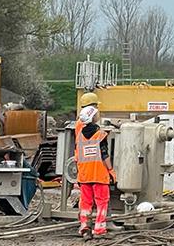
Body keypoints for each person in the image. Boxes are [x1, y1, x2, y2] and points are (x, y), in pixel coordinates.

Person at [75, 93, 115, 239]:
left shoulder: (79, 135)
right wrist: (111, 170)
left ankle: (84, 228)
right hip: (99, 174)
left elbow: (79, 154)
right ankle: (99, 229)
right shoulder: (100, 134)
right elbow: (104, 155)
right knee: (102, 202)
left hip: (84, 175)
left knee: (85, 203)